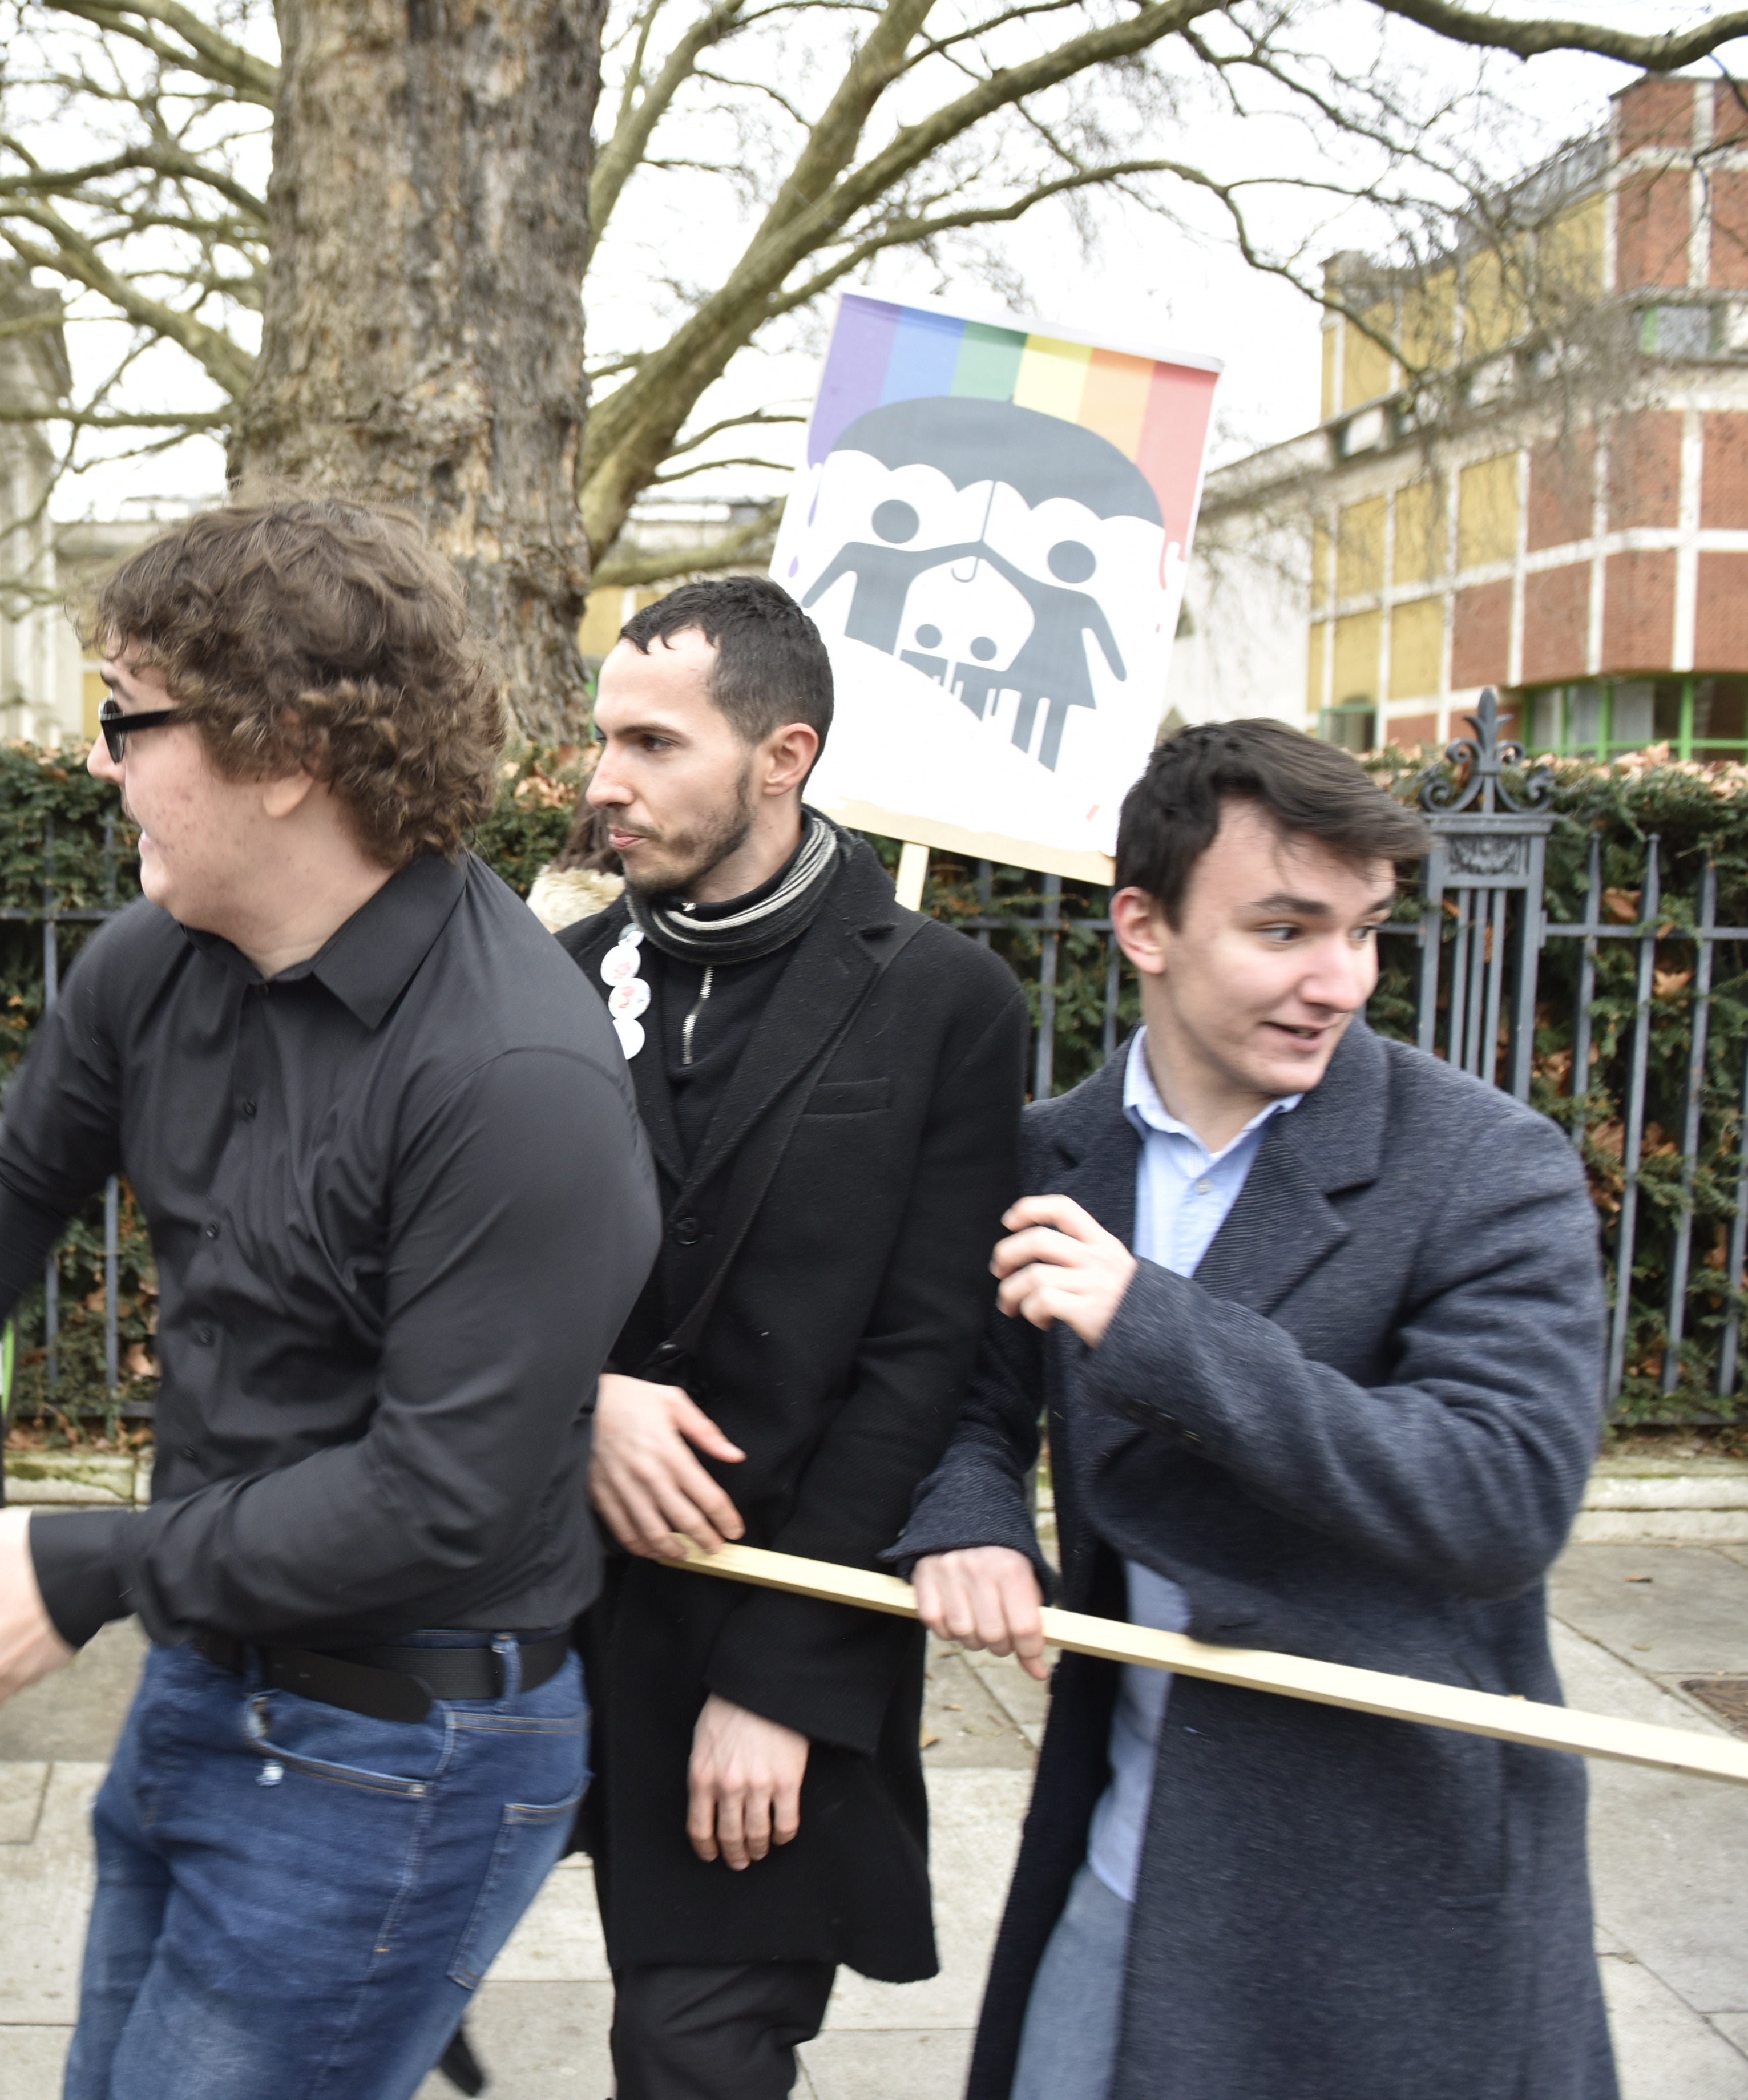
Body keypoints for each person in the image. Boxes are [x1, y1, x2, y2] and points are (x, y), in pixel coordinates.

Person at [0, 493, 659, 2100]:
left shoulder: (513, 1076)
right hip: (213, 1671)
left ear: (283, 749)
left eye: (130, 719)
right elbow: (16, 1177)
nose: (105, 761)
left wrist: (84, 1566)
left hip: (402, 1747)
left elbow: (440, 1501)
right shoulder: (156, 961)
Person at [894, 719, 1614, 2100]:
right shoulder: (1057, 1149)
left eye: (1365, 931)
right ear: (1144, 926)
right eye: (1285, 929)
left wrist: (1156, 1323)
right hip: (1129, 1844)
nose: (1338, 980)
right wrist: (971, 1521)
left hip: (1393, 1896)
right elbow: (967, 1404)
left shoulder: (1485, 1165)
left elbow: (1498, 1498)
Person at [562, 576, 1025, 2099]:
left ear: (783, 756)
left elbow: (925, 1363)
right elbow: (465, 1292)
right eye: (602, 737)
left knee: (692, 2056)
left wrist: (786, 1682)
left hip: (774, 1634)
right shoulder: (553, 987)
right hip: (542, 1639)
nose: (601, 780)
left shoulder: (947, 1000)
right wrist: (589, 1406)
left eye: (650, 741)